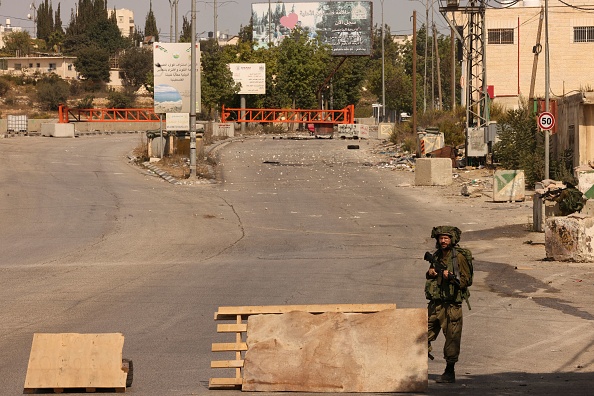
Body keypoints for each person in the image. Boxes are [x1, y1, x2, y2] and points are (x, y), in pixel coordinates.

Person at [424, 226, 471, 384]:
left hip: (451, 306)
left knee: (452, 339)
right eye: (441, 238)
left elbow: (466, 281)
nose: (443, 241)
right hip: (435, 304)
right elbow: (430, 275)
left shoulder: (459, 258)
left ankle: (449, 372)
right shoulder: (437, 255)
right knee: (421, 334)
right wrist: (431, 273)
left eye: (446, 238)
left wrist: (450, 277)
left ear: (452, 239)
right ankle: (416, 369)